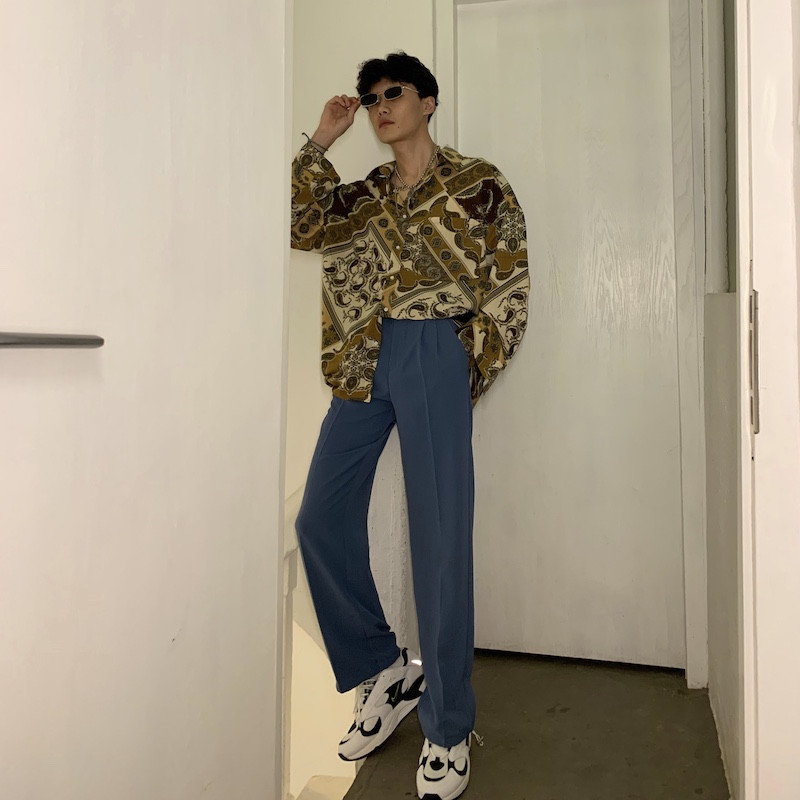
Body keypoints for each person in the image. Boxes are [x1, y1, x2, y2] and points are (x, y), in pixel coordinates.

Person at [291, 52, 529, 800]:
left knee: (440, 540)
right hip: (363, 355)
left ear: (428, 101)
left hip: (434, 352)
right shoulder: (364, 194)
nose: (379, 106)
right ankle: (383, 668)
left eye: (392, 93)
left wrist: (465, 365)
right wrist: (321, 141)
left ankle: (448, 726)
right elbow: (302, 225)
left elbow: (510, 282)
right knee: (319, 518)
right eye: (369, 99)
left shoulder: (478, 183)